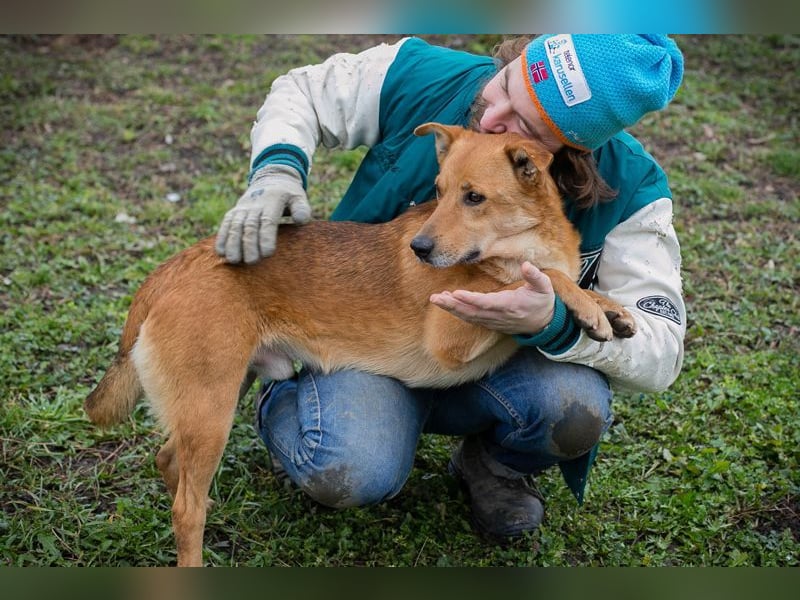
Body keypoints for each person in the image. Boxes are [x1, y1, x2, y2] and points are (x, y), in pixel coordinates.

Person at [215, 34, 687, 542]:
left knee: (574, 406)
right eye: (506, 83)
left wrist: (553, 325)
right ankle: (297, 407)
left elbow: (661, 350)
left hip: (493, 359)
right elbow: (304, 90)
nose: (489, 119)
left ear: (569, 147)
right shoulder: (424, 73)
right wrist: (278, 167)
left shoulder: (636, 192)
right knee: (348, 467)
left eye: (525, 125)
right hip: (360, 340)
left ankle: (495, 466)